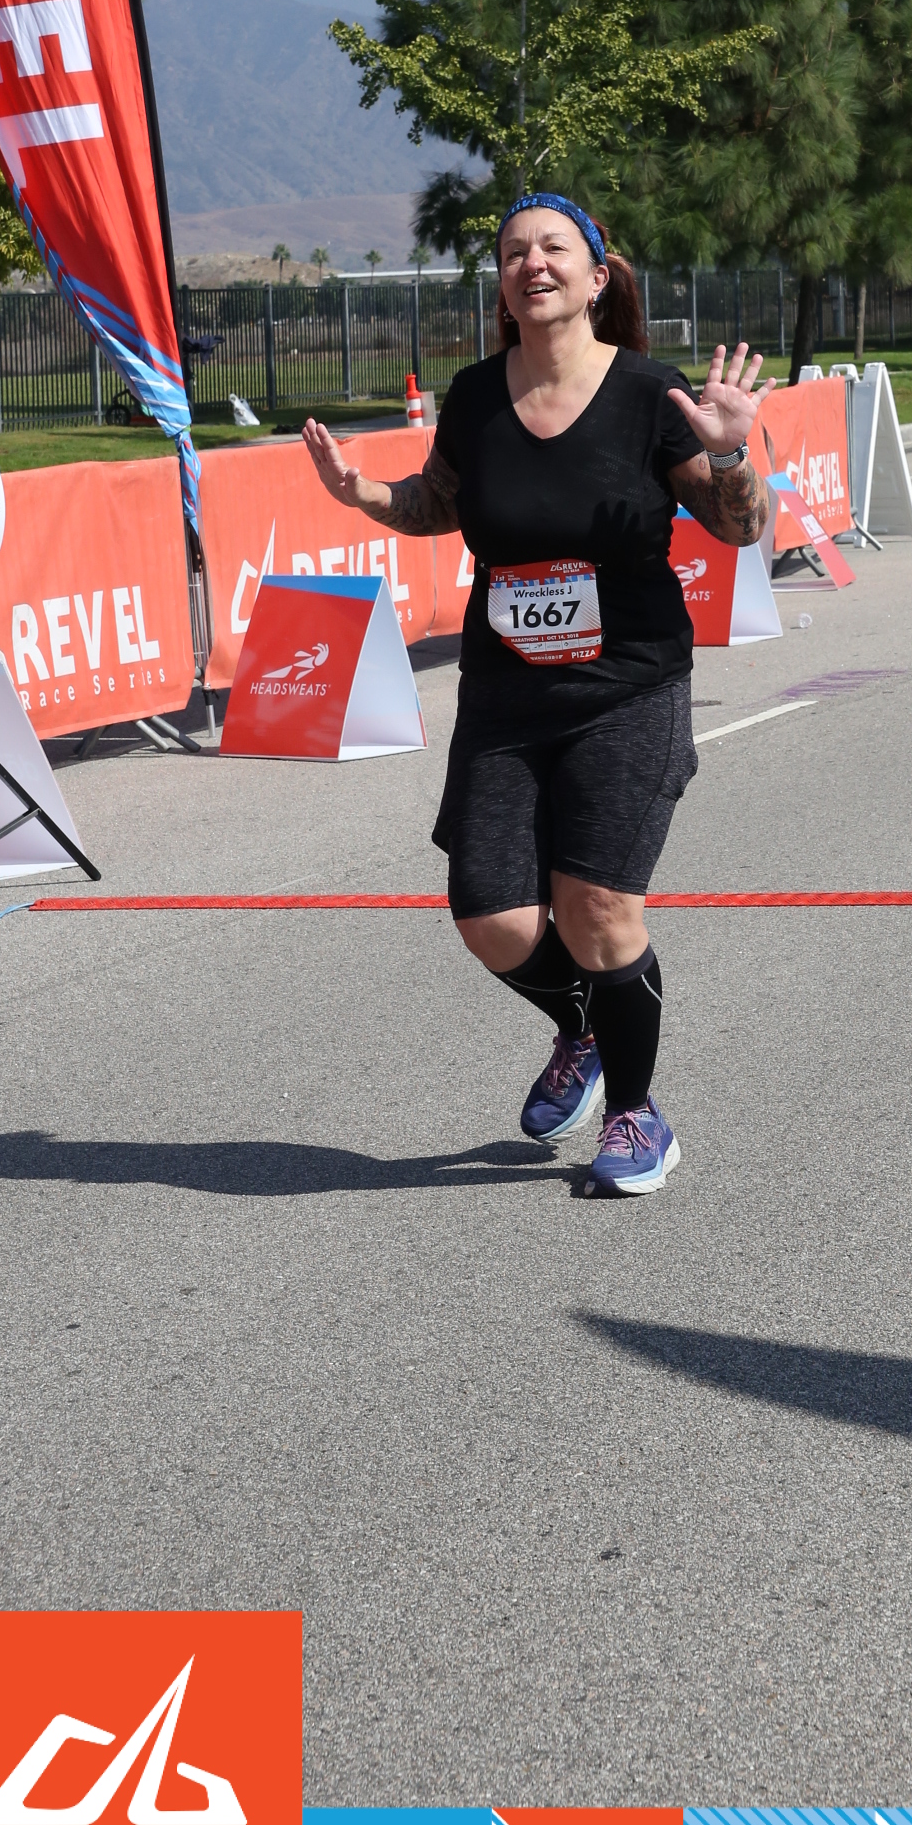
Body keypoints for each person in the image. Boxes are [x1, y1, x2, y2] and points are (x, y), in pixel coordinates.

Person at [302, 194, 773, 1198]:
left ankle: (638, 1115)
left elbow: (739, 528)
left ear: (597, 278)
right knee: (493, 918)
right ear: (504, 286)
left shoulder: (649, 392)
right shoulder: (477, 395)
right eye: (514, 252)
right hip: (507, 695)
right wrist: (363, 494)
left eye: (553, 248)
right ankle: (584, 1029)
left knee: (597, 908)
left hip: (628, 687)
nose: (532, 264)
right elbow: (439, 502)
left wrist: (732, 450)